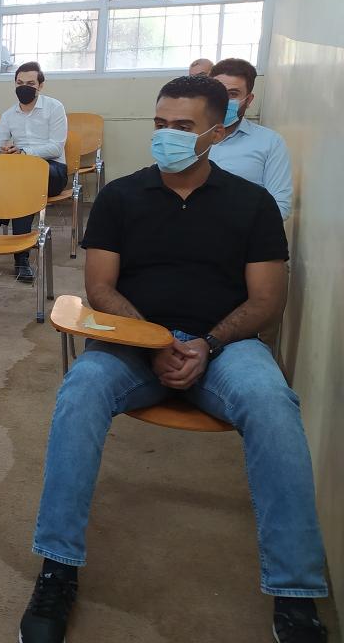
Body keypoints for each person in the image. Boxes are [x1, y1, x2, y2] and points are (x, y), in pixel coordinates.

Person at [18, 76, 328, 643]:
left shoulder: (251, 203)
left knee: (274, 404)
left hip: (225, 347)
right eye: (160, 125)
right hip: (133, 343)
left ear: (217, 132)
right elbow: (100, 289)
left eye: (183, 127)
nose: (167, 137)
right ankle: (57, 569)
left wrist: (206, 345)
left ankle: (296, 592)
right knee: (79, 392)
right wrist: (156, 341)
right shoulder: (121, 197)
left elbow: (267, 300)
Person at [0, 61, 68, 284]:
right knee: (22, 183)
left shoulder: (54, 108)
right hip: (20, 174)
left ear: (40, 85)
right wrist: (1, 151)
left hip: (53, 170)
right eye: (19, 83)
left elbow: (56, 147)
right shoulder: (9, 115)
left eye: (30, 83)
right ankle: (20, 257)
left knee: (23, 180)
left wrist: (25, 153)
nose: (24, 87)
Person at [209, 58, 292, 219]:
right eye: (217, 92)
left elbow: (280, 206)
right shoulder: (190, 136)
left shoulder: (270, 142)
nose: (222, 100)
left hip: (243, 232)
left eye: (233, 94)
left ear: (248, 100)